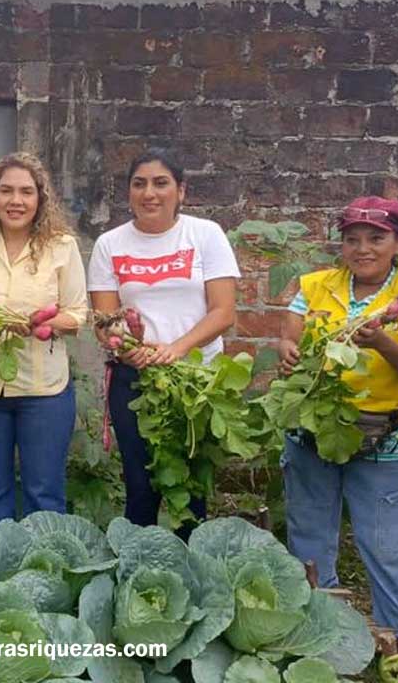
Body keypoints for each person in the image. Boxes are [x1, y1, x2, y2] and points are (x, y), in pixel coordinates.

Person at [276, 196, 398, 675]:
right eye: (352, 239)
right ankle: (317, 639)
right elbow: (289, 334)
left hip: (385, 441)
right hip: (312, 430)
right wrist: (290, 350)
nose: (363, 248)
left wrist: (383, 342)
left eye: (376, 238)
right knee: (309, 539)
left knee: (386, 544)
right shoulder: (313, 286)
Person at [88, 149, 239, 528]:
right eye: (139, 184)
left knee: (191, 492)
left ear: (181, 191)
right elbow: (105, 320)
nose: (149, 193)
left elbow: (223, 311)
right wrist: (127, 349)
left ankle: (190, 575)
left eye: (161, 183)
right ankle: (137, 576)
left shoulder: (205, 235)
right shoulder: (110, 244)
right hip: (135, 381)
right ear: (129, 193)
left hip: (196, 380)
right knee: (140, 489)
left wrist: (177, 349)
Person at [0, 151, 87, 530]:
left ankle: (44, 575)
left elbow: (77, 314)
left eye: (26, 192)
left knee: (43, 493)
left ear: (40, 199)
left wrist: (42, 323)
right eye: (6, 191)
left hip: (44, 391)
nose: (16, 200)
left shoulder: (62, 247)